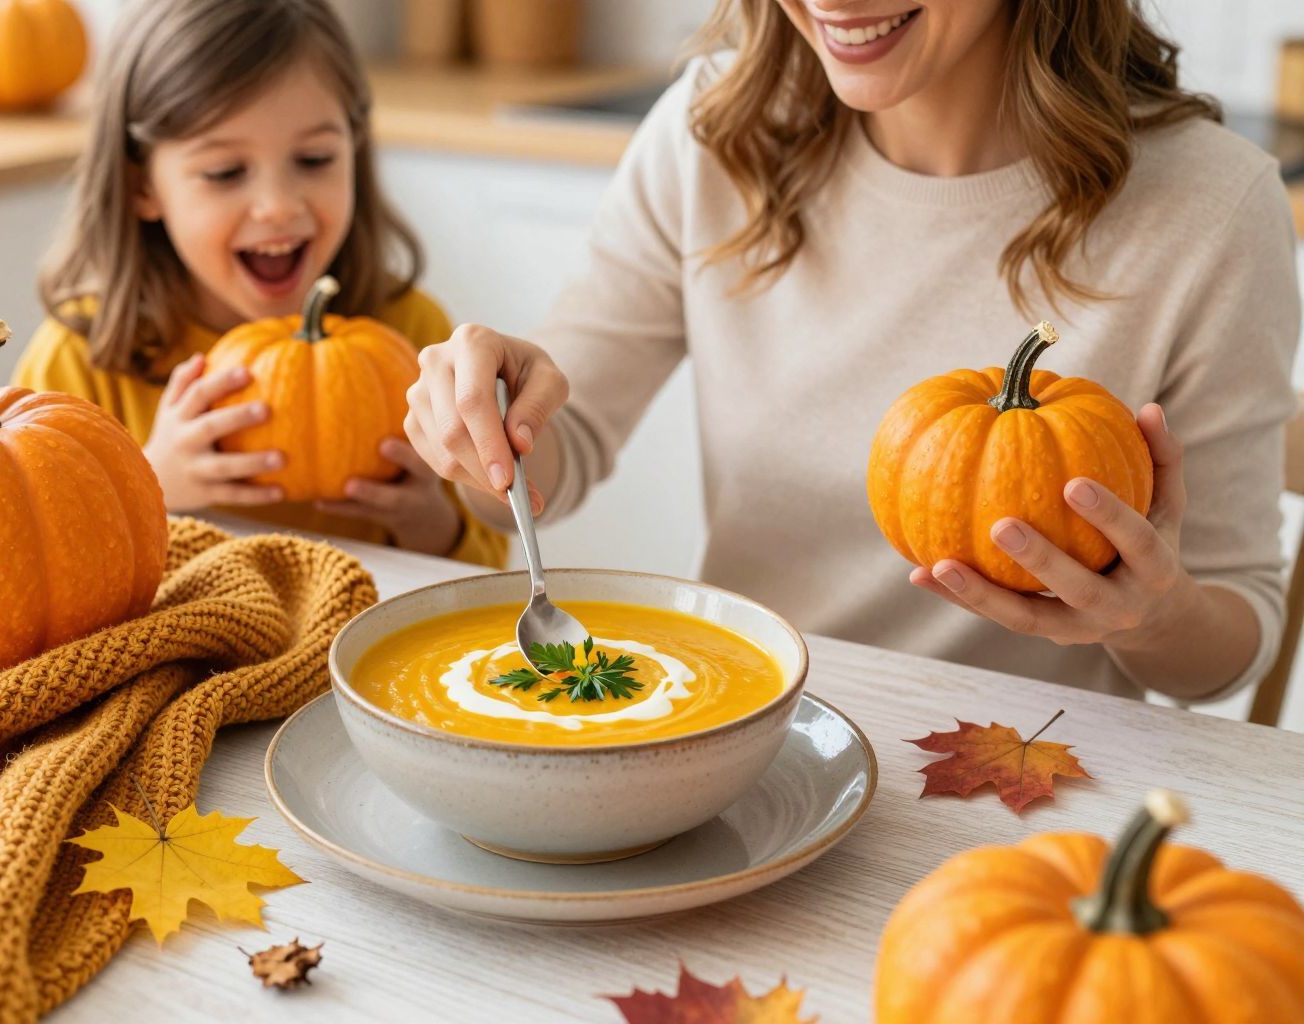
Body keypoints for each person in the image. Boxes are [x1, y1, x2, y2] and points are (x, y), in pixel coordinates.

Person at [404, 0, 1301, 701]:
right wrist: (491, 417)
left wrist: (1151, 617)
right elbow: (559, 448)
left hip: (1022, 784)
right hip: (747, 730)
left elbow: (1227, 647)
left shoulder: (1210, 206)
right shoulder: (711, 133)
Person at [13, 0, 506, 567]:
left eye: (315, 159)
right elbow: (36, 568)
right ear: (142, 186)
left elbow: (487, 575)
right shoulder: (81, 356)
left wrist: (424, 519)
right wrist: (151, 488)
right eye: (225, 172)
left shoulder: (412, 334)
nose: (277, 207)